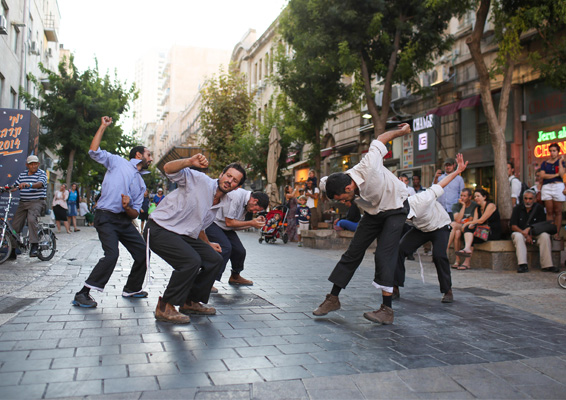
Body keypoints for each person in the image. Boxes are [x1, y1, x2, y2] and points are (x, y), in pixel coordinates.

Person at [314, 123, 411, 325]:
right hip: (374, 212)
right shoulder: (332, 182)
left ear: (350, 186)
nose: (343, 202)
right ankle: (333, 298)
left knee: (384, 254)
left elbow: (381, 138)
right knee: (353, 251)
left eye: (343, 198)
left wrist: (401, 132)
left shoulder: (370, 165)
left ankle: (387, 310)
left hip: (396, 206)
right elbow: (322, 184)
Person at [145, 159, 246, 324]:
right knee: (191, 261)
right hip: (160, 228)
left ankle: (190, 302)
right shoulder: (200, 180)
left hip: (182, 233)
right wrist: (190, 161)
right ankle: (165, 306)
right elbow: (168, 168)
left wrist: (208, 244)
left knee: (214, 259)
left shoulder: (224, 202)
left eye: (235, 180)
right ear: (221, 174)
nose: (229, 181)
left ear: (237, 186)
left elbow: (199, 227)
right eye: (228, 176)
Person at [72, 116, 153, 308]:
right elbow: (93, 151)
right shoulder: (117, 162)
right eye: (149, 154)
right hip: (106, 217)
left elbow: (135, 213)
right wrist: (102, 126)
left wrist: (127, 207)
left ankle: (132, 288)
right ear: (139, 155)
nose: (151, 158)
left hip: (123, 220)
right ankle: (82, 293)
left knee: (143, 252)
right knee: (111, 255)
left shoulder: (141, 184)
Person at [394, 153, 469, 303]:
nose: (406, 220)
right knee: (400, 250)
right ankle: (394, 286)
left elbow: (442, 184)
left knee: (439, 255)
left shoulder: (423, 198)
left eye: (407, 217)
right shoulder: (397, 209)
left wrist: (458, 171)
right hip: (421, 229)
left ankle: (447, 290)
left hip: (439, 226)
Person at [205, 189, 269, 290]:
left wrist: (254, 224)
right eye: (256, 209)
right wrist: (251, 223)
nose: (255, 212)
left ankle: (235, 276)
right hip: (213, 222)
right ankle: (207, 281)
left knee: (239, 251)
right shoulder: (236, 197)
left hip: (225, 226)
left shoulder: (247, 205)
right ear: (254, 201)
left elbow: (235, 226)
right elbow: (229, 222)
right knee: (225, 248)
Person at [510, 189, 558, 273]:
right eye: (526, 198)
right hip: (521, 233)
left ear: (534, 199)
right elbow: (513, 226)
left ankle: (547, 265)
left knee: (545, 236)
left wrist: (530, 233)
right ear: (523, 199)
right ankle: (523, 265)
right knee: (518, 236)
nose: (528, 201)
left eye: (530, 199)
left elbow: (541, 225)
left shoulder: (539, 208)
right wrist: (525, 234)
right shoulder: (517, 208)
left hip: (535, 233)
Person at [456, 188, 502, 269]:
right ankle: (467, 257)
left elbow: (481, 220)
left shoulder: (490, 205)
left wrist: (466, 223)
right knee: (469, 232)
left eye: (478, 196)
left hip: (492, 232)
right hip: (482, 232)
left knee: (469, 233)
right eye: (475, 196)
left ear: (484, 197)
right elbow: (475, 221)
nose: (476, 198)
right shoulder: (477, 208)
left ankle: (466, 261)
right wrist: (469, 225)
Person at [11, 155, 47, 258]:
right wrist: (10, 188)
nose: (34, 166)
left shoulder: (42, 174)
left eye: (35, 163)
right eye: (31, 164)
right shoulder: (22, 174)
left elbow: (40, 184)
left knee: (31, 220)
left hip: (36, 202)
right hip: (23, 203)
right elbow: (16, 185)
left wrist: (29, 184)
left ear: (38, 164)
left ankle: (34, 245)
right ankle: (12, 249)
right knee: (15, 226)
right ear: (27, 165)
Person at [539, 143, 565, 240]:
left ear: (558, 151)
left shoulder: (561, 162)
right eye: (551, 151)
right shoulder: (545, 163)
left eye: (554, 151)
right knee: (549, 211)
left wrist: (560, 161)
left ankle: (556, 233)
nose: (552, 153)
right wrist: (555, 175)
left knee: (558, 211)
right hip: (547, 187)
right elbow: (542, 175)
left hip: (558, 186)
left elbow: (562, 175)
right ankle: (550, 233)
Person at [448, 189, 477, 268]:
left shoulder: (474, 206)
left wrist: (464, 206)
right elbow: (458, 219)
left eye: (464, 196)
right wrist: (463, 206)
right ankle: (457, 260)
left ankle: (445, 249)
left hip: (467, 227)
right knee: (456, 232)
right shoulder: (456, 205)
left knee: (453, 225)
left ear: (470, 197)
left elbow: (471, 220)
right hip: (459, 227)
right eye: (461, 195)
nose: (462, 198)